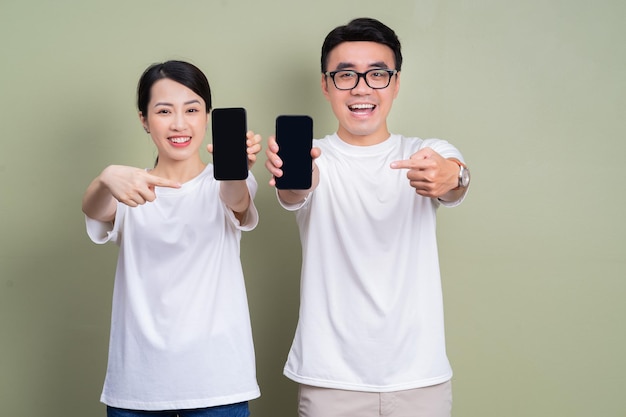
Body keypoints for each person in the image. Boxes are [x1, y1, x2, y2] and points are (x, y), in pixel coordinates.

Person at [264, 18, 470, 417]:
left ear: (395, 83)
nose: (361, 87)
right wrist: (293, 177)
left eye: (377, 74)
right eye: (345, 75)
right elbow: (295, 191)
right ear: (325, 85)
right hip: (330, 381)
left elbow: (453, 180)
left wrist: (452, 175)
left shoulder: (426, 150)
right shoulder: (312, 155)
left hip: (419, 380)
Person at [82, 60, 261, 417]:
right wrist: (105, 178)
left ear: (207, 117)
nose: (179, 123)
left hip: (218, 387)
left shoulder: (226, 183)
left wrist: (236, 169)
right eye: (164, 111)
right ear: (144, 120)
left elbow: (237, 200)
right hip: (137, 389)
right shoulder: (128, 187)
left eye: (192, 110)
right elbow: (94, 210)